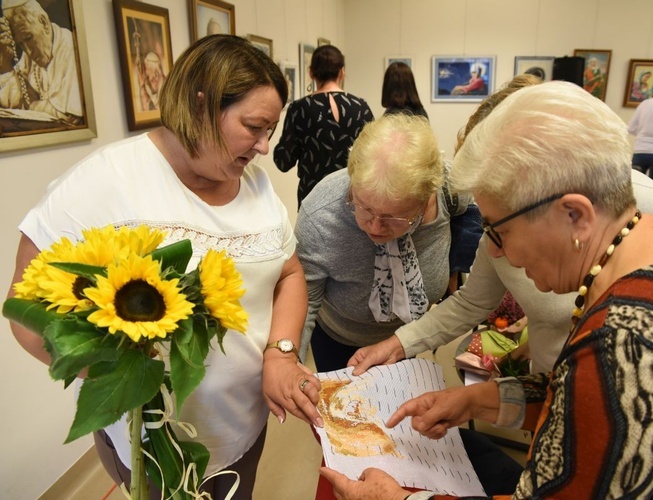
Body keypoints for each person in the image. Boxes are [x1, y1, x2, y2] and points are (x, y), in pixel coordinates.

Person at [322, 80, 653, 499]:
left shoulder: (626, 341)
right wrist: (478, 399)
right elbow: (577, 401)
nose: (495, 249)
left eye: (499, 229)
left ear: (574, 215)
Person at [6, 35, 321, 499]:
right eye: (254, 127)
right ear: (200, 105)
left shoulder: (253, 183)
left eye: (269, 130)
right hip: (152, 444)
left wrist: (281, 352)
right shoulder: (105, 181)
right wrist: (116, 377)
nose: (263, 147)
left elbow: (289, 274)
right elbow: (24, 306)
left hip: (244, 427)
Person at [349, 75, 653, 378]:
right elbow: (472, 303)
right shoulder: (506, 229)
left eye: (498, 226)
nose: (495, 249)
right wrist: (401, 345)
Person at [296, 113, 520, 495]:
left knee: (410, 437)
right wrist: (294, 364)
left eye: (393, 217)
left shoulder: (453, 189)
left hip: (414, 336)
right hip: (341, 338)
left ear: (426, 198)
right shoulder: (322, 216)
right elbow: (305, 302)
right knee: (355, 440)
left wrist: (449, 277)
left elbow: (469, 244)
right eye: (364, 208)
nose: (374, 227)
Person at [274, 44, 373, 207]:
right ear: (342, 71)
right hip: (353, 199)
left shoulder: (300, 108)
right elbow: (372, 154)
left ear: (311, 72)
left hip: (313, 200)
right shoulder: (360, 106)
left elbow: (283, 162)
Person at [0, 0, 82, 124]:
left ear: (44, 22)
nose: (28, 51)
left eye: (28, 38)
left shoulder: (71, 48)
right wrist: (6, 64)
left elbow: (68, 116)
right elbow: (17, 103)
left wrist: (32, 105)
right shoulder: (30, 57)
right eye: (20, 44)